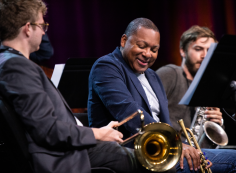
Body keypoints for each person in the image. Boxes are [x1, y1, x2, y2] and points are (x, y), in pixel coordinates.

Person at [0, 1, 170, 173]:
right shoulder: (16, 66)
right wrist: (97, 134)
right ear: (28, 28)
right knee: (159, 163)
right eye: (42, 25)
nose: (44, 31)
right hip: (66, 156)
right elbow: (47, 129)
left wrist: (97, 131)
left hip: (75, 148)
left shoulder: (16, 63)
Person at [88, 18, 236, 172]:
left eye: (154, 50)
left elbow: (164, 122)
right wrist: (176, 145)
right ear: (124, 41)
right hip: (135, 154)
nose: (147, 54)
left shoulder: (152, 76)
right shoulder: (107, 66)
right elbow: (130, 113)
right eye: (142, 46)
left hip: (164, 150)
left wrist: (191, 150)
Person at [156, 26, 224, 142]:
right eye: (198, 49)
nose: (205, 55)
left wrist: (218, 122)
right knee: (235, 158)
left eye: (209, 51)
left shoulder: (209, 86)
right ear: (183, 51)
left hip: (199, 153)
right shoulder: (171, 73)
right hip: (172, 149)